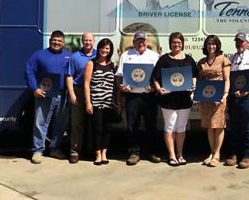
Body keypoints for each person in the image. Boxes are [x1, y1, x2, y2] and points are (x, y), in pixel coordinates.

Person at [25, 30, 71, 164]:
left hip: (63, 96)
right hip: (44, 95)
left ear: (64, 43)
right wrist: (35, 89)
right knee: (40, 124)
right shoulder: (39, 55)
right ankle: (37, 151)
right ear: (50, 40)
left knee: (60, 125)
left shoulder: (69, 56)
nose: (57, 43)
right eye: (54, 40)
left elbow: (73, 73)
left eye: (59, 41)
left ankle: (55, 149)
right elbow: (29, 71)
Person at [116, 31, 161, 165]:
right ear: (134, 42)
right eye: (138, 41)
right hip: (132, 96)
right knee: (132, 126)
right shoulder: (126, 55)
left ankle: (152, 152)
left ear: (146, 42)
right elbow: (119, 75)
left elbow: (159, 76)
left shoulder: (154, 56)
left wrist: (155, 87)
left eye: (143, 41)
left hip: (149, 96)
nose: (141, 43)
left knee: (151, 125)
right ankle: (134, 153)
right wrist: (121, 87)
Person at [152, 32, 197, 166]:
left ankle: (180, 154)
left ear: (182, 44)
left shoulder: (189, 59)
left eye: (179, 42)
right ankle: (171, 155)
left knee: (181, 127)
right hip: (168, 100)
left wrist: (193, 85)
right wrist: (159, 89)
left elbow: (194, 75)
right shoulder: (164, 59)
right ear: (170, 44)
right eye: (174, 43)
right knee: (170, 126)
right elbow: (155, 77)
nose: (176, 45)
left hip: (184, 99)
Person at [225, 33, 249, 169]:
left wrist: (246, 90)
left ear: (247, 43)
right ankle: (234, 155)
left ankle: (248, 156)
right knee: (234, 127)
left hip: (247, 97)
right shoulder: (231, 59)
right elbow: (229, 78)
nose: (239, 44)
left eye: (242, 42)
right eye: (237, 42)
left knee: (247, 128)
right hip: (234, 97)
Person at [197, 35, 231, 167]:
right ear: (206, 46)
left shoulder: (223, 60)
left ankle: (217, 154)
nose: (211, 46)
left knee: (219, 125)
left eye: (214, 44)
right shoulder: (201, 62)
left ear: (217, 45)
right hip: (206, 98)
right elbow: (200, 80)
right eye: (209, 44)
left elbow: (227, 79)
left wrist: (225, 94)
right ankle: (211, 152)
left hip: (219, 98)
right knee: (209, 126)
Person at [83, 38, 116, 166]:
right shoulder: (91, 64)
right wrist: (88, 103)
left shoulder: (112, 65)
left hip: (109, 103)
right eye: (103, 48)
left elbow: (115, 84)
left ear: (110, 50)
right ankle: (97, 154)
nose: (105, 50)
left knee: (107, 129)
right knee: (97, 129)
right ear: (99, 49)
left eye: (107, 48)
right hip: (96, 102)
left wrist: (117, 101)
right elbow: (86, 84)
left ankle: (104, 154)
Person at [66, 32, 96, 164]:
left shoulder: (99, 55)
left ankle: (90, 151)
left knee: (93, 124)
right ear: (82, 41)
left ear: (94, 41)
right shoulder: (75, 57)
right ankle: (75, 151)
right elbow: (69, 76)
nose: (88, 42)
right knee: (77, 123)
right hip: (78, 91)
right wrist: (72, 93)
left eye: (90, 40)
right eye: (86, 40)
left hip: (94, 92)